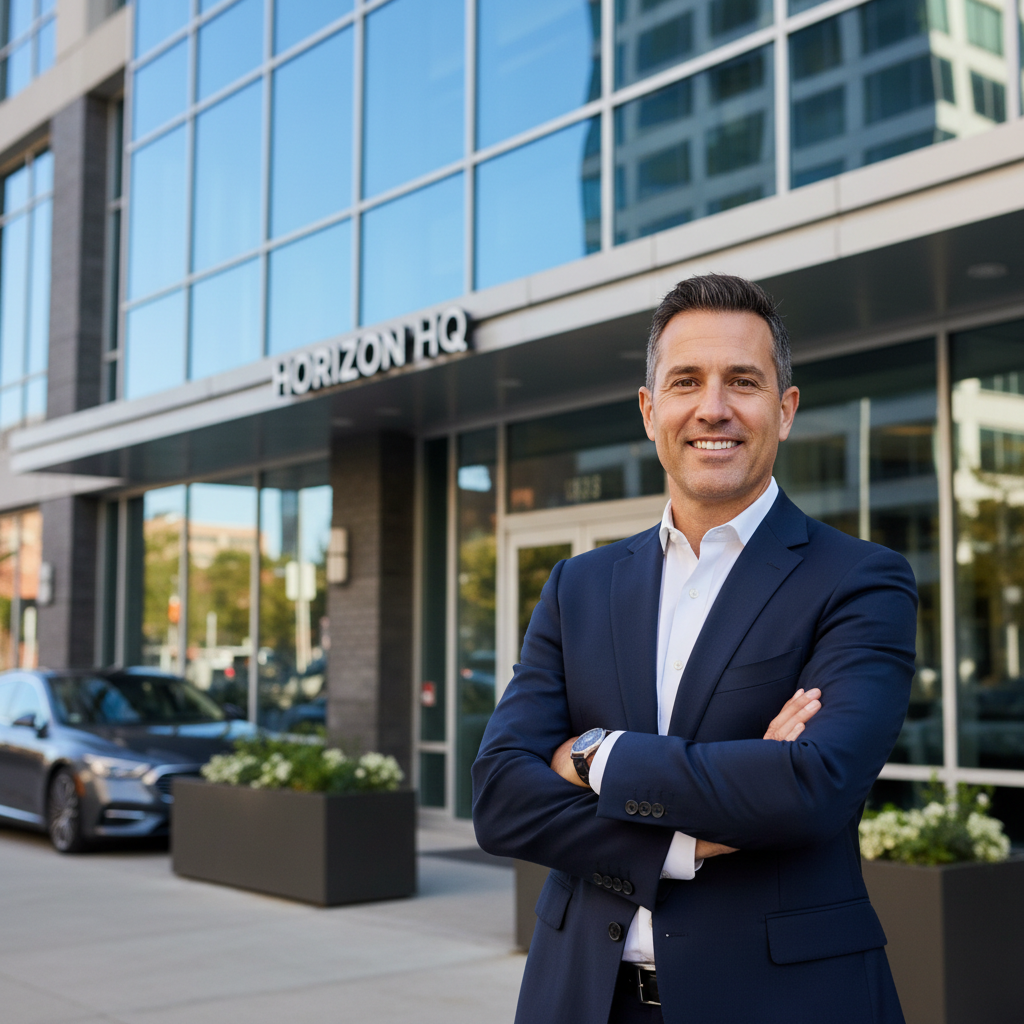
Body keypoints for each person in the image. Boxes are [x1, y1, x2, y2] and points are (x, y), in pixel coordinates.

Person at [472, 274, 917, 1024]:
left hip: (785, 1002)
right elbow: (501, 799)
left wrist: (593, 756)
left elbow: (812, 786)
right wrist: (694, 838)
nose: (713, 407)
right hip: (580, 998)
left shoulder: (861, 580)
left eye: (743, 380)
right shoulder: (577, 586)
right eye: (686, 381)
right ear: (651, 411)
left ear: (786, 409)